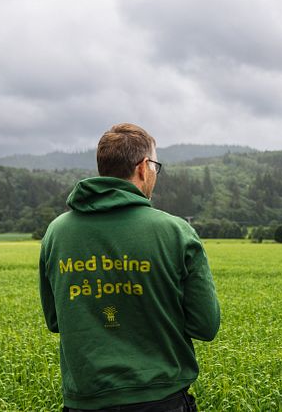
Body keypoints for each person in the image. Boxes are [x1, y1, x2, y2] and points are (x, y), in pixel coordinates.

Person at [39, 123, 220, 411]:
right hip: (162, 400)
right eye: (155, 167)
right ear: (143, 167)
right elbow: (205, 325)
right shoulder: (175, 232)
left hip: (85, 402)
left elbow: (55, 320)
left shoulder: (56, 233)